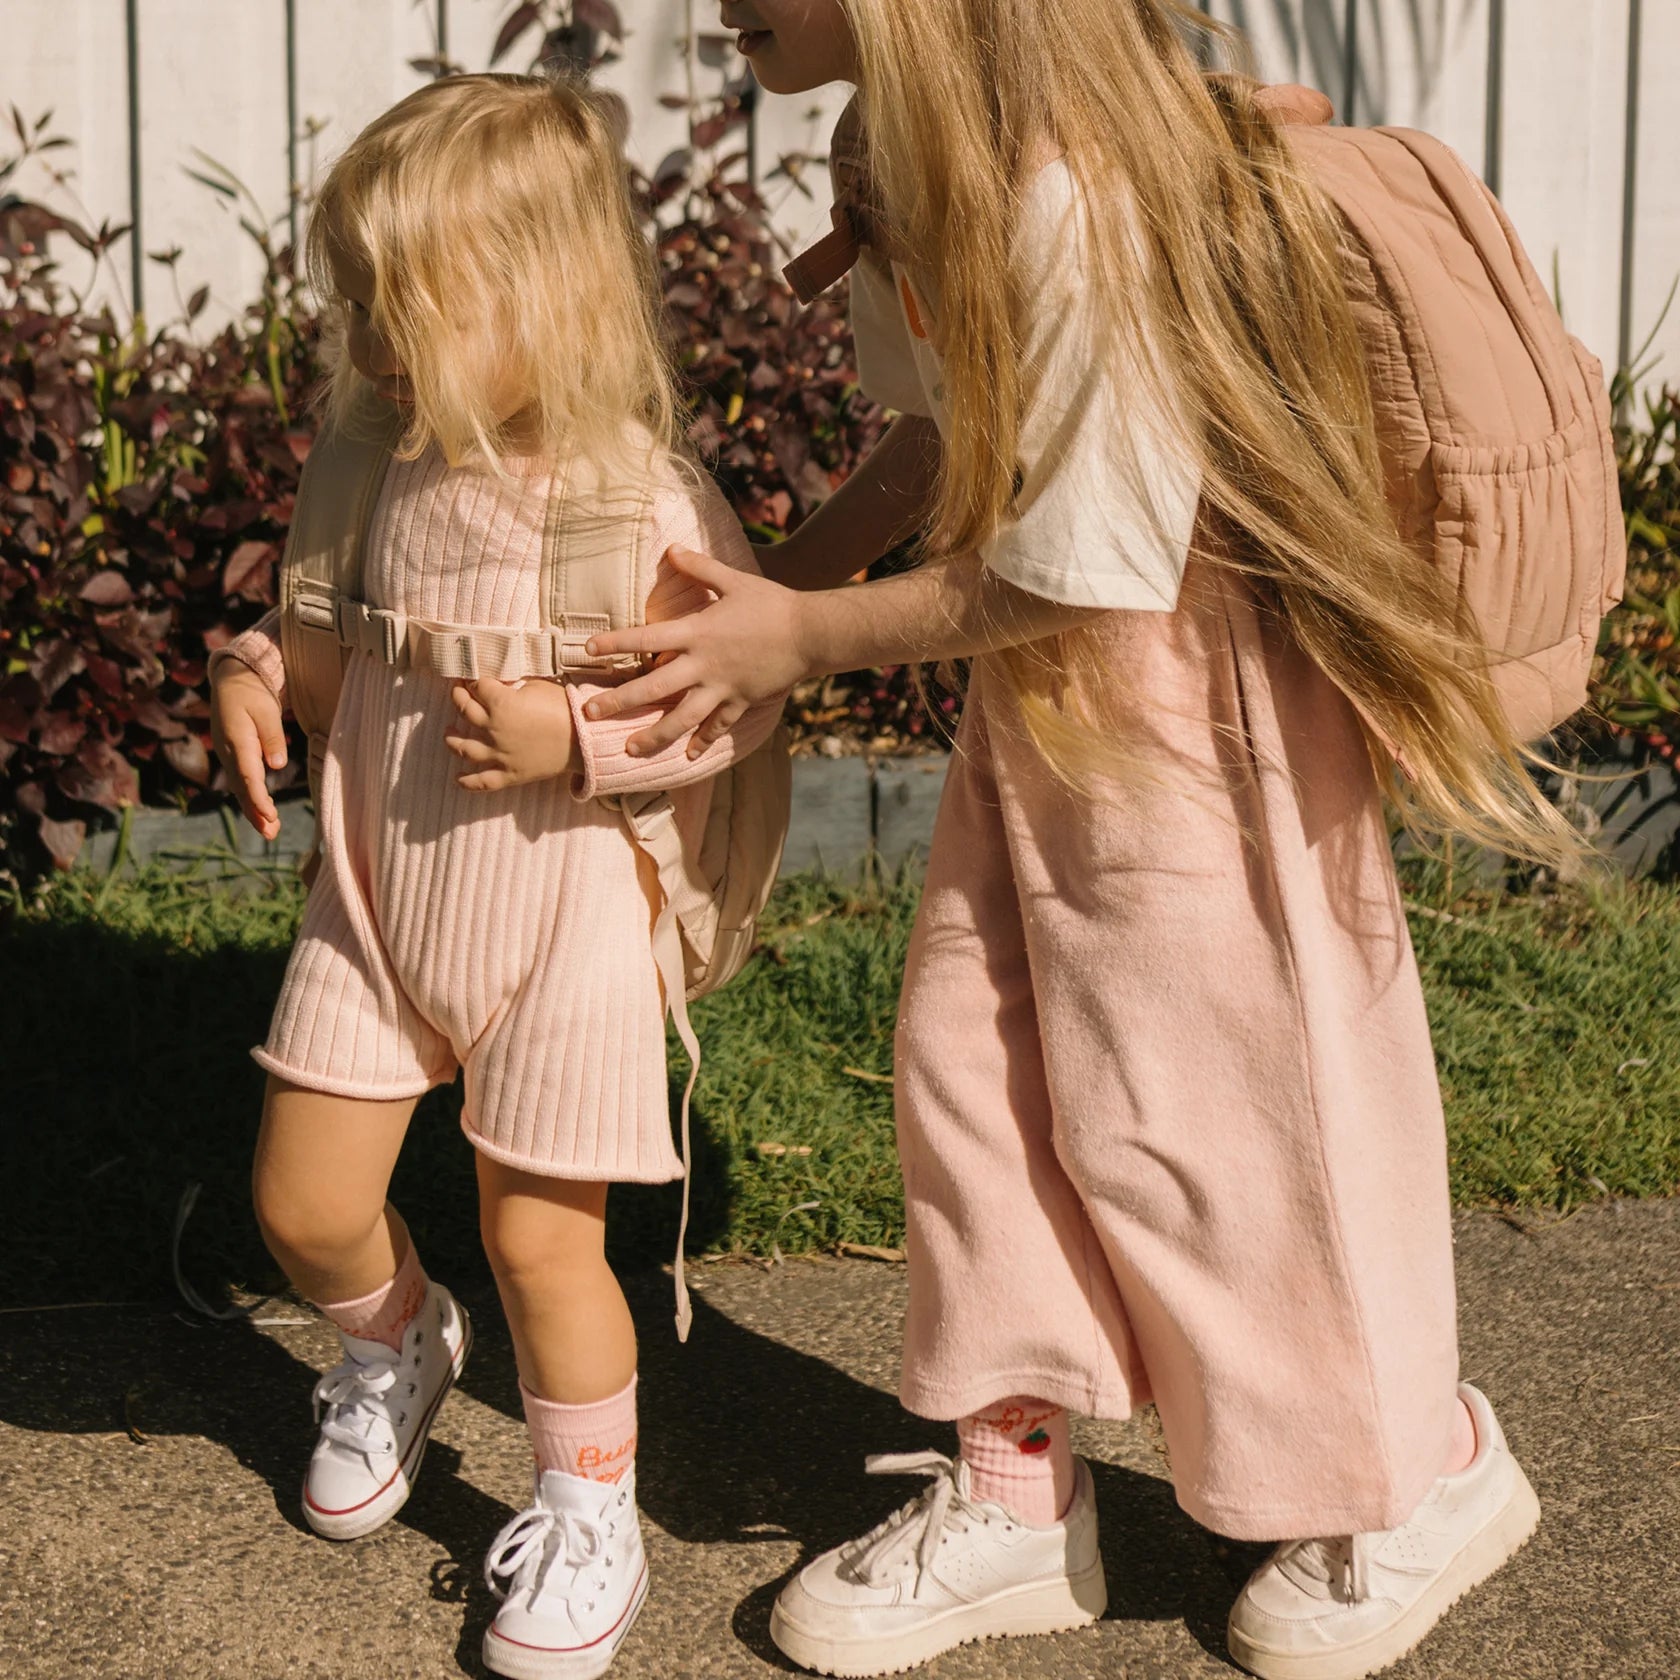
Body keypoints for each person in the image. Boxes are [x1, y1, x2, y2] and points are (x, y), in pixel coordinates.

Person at [578, 5, 1565, 1676]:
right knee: (979, 1073)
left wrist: (799, 643)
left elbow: (1098, 553)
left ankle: (1418, 1475)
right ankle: (1013, 1487)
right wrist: (782, 595)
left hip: (1199, 711)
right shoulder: (912, 144)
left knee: (1252, 1107)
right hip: (1049, 705)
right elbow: (963, 442)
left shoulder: (1073, 180)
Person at [208, 73, 780, 1680]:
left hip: (564, 925)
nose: (369, 338)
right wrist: (258, 670)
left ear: (548, 299)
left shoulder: (634, 504)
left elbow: (732, 701)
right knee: (302, 1203)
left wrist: (584, 738)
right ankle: (400, 1341)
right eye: (357, 302)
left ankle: (588, 1502)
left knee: (544, 1243)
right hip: (381, 905)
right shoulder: (380, 461)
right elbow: (329, 638)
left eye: (406, 304)